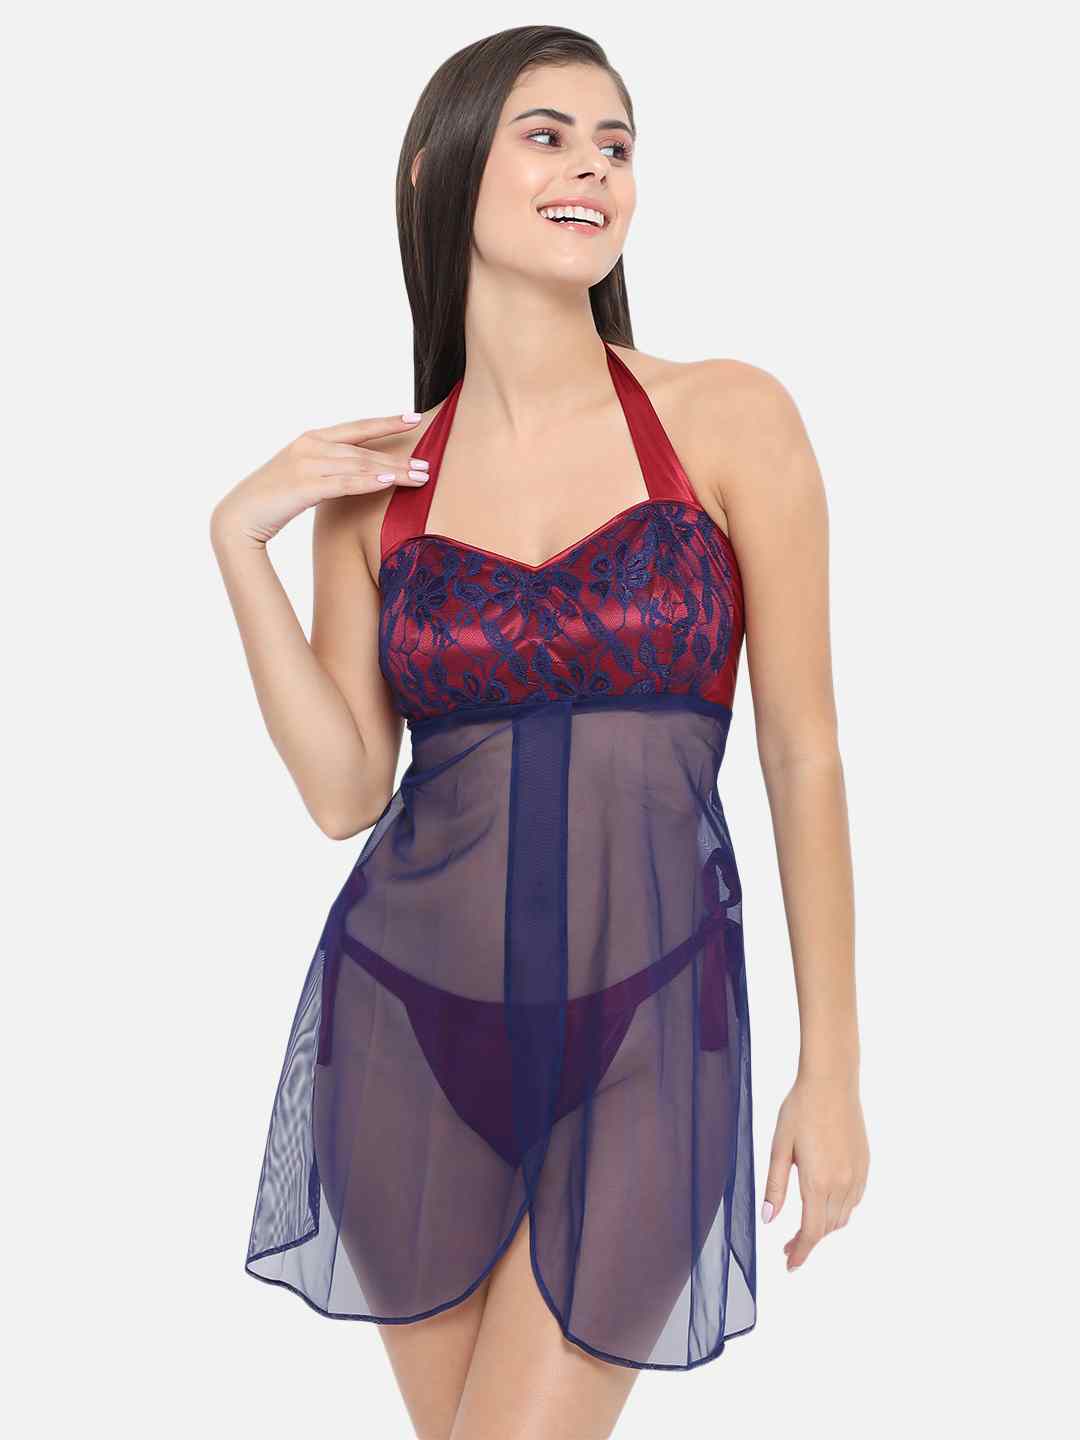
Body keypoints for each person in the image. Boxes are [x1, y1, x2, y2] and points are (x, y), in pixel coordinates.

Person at [211, 24, 869, 1440]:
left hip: (653, 1029)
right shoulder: (375, 490)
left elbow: (802, 751)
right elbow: (343, 792)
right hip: (405, 1036)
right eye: (548, 136)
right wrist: (236, 540)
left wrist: (834, 1066)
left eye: (615, 145)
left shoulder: (728, 417)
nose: (592, 170)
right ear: (436, 171)